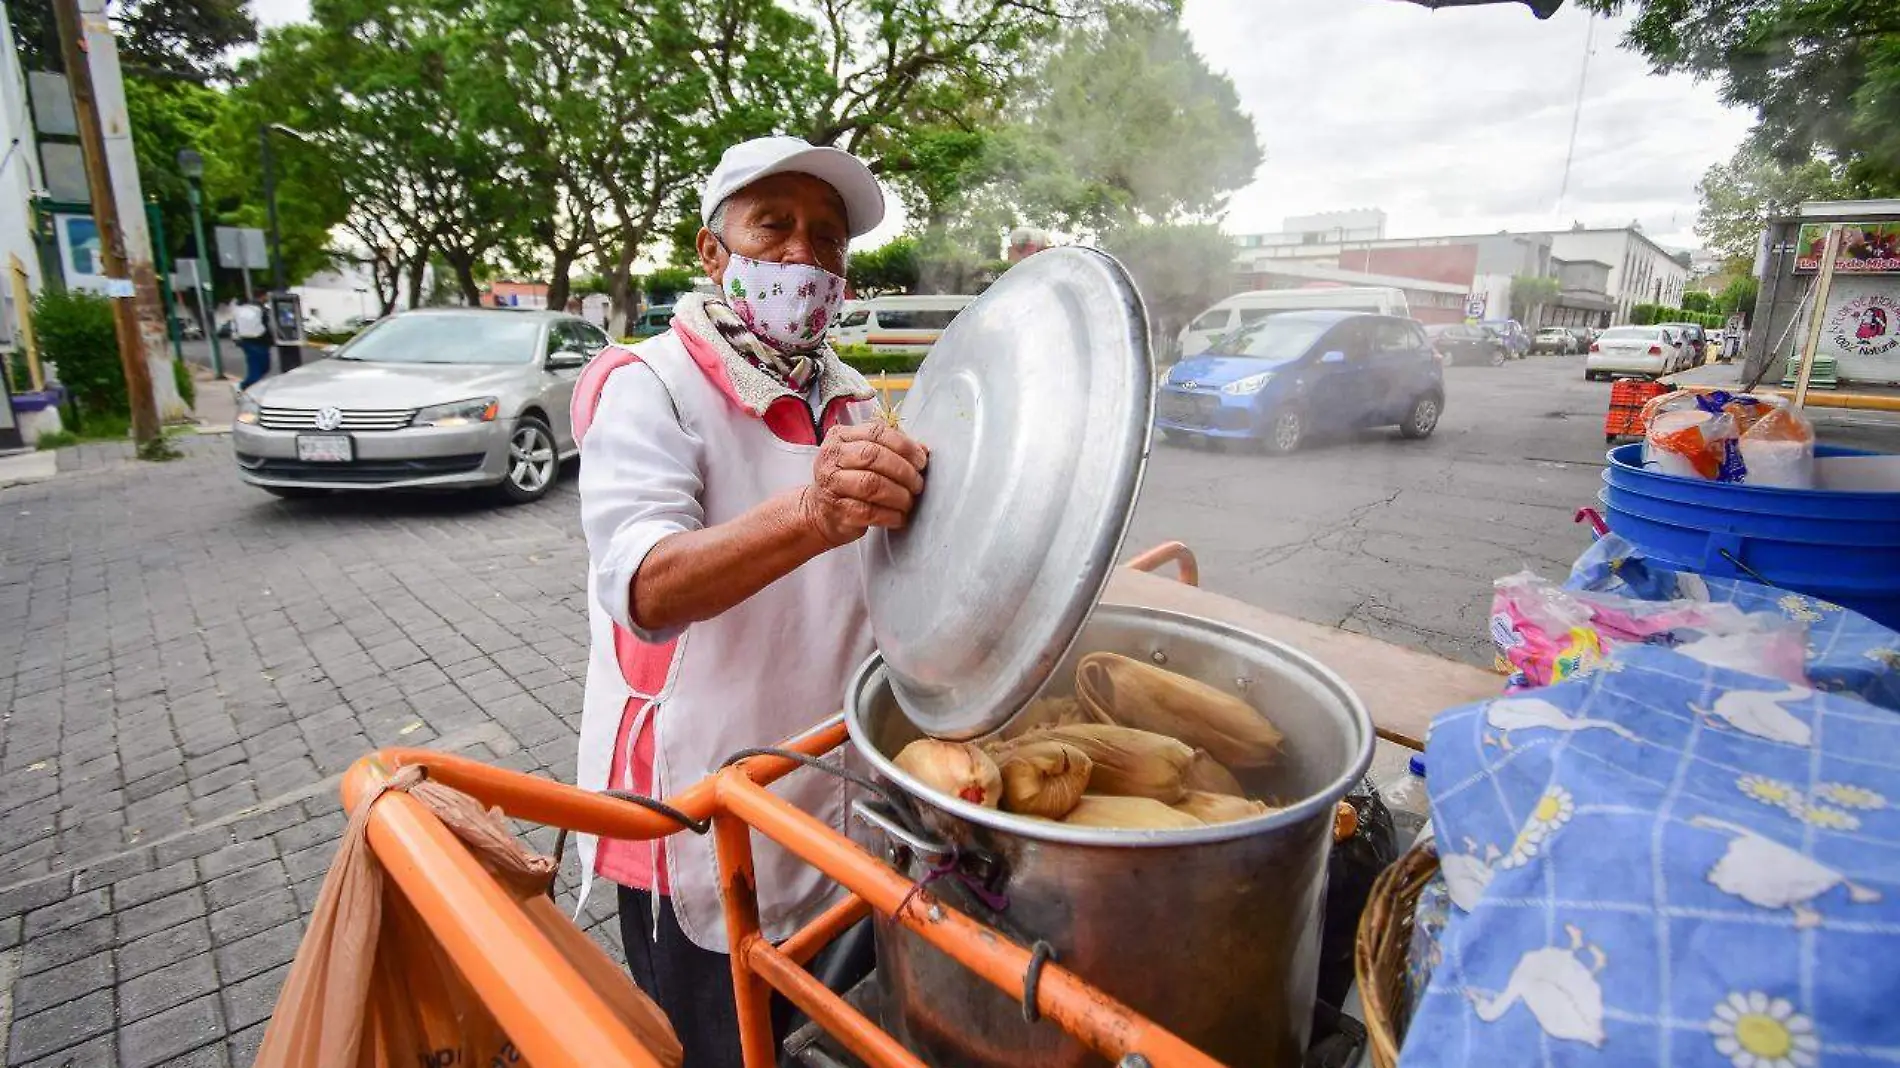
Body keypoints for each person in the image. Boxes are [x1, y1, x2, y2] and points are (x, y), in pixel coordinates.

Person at [571, 136, 929, 1067]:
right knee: (723, 1045)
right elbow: (644, 585)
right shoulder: (650, 386)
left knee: (820, 1029)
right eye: (774, 225)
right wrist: (813, 510)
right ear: (711, 251)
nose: (802, 255)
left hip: (829, 789)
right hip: (702, 798)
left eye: (827, 238)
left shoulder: (854, 399)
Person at [233, 290, 273, 391]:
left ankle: (247, 385)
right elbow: (266, 325)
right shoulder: (260, 308)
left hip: (246, 341)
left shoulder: (240, 309)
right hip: (259, 340)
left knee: (258, 366)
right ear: (262, 296)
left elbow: (236, 325)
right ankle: (245, 387)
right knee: (260, 368)